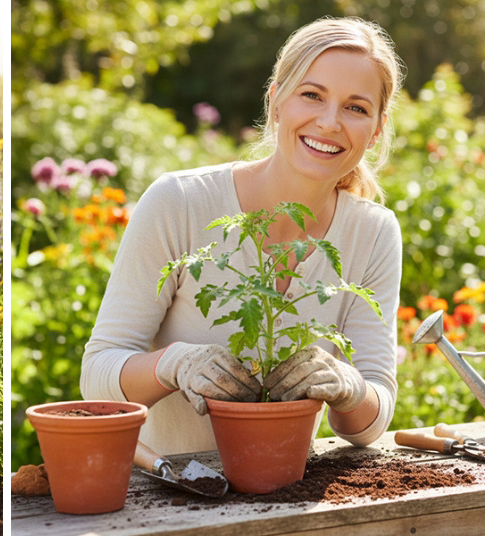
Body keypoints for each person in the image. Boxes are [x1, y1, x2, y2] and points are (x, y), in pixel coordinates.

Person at [81, 17, 404, 455]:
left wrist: (349, 387)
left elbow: (367, 424)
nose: (330, 122)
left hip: (288, 495)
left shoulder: (374, 232)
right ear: (276, 102)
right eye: (312, 95)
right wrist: (173, 365)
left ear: (377, 129)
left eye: (356, 107)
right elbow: (96, 377)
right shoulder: (180, 202)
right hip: (167, 494)